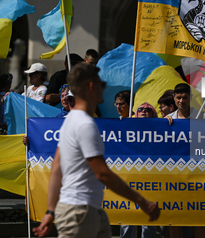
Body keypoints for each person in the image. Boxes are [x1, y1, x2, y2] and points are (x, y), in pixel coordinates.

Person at [33, 63, 160, 238]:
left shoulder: (71, 121)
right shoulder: (85, 125)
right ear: (92, 87)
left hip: (87, 209)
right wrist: (141, 202)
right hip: (79, 211)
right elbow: (103, 174)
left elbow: (56, 169)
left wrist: (50, 211)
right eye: (102, 85)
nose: (104, 89)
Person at [165, 83, 205, 238]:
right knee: (174, 218)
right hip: (175, 176)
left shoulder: (203, 117)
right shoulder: (167, 120)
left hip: (198, 175)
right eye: (178, 98)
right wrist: (164, 125)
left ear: (190, 98)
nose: (181, 101)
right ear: (174, 99)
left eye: (184, 97)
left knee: (199, 218)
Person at [120, 102, 157, 238]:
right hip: (130, 178)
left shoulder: (161, 130)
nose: (144, 111)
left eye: (148, 109)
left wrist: (168, 123)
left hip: (151, 180)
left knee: (149, 219)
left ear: (153, 113)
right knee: (127, 217)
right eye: (140, 109)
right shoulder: (126, 127)